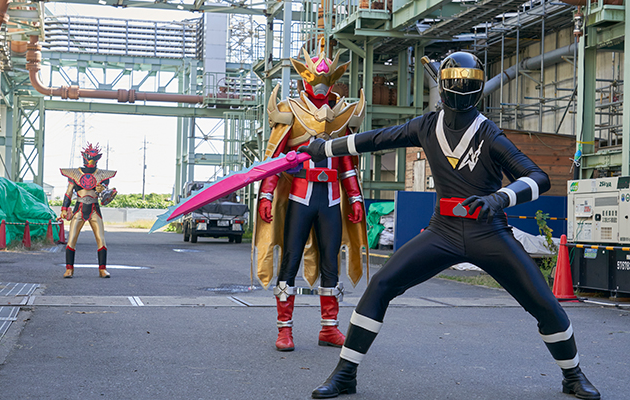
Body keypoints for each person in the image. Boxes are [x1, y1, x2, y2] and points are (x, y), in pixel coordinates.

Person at [301, 52, 600, 399]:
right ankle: (345, 373)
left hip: (488, 232)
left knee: (544, 303)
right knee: (381, 285)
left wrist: (499, 199)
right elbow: (376, 139)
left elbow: (539, 178)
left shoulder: (487, 134)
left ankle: (573, 375)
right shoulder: (428, 127)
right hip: (443, 231)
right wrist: (327, 148)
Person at [253, 38, 368, 352]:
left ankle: (329, 328)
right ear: (304, 78)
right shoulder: (291, 111)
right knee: (289, 262)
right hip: (300, 197)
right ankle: (284, 330)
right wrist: (266, 195)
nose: (320, 86)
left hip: (330, 198)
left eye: (326, 80)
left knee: (331, 262)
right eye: (314, 79)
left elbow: (346, 163)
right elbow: (275, 160)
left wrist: (355, 198)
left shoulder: (341, 114)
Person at [60, 143, 117, 278]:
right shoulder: (74, 174)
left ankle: (102, 269)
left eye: (94, 158)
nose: (91, 161)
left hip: (94, 209)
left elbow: (106, 195)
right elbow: (68, 193)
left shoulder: (102, 175)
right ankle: (69, 269)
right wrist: (64, 208)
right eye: (90, 158)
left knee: (100, 239)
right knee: (72, 239)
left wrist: (103, 190)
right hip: (79, 208)